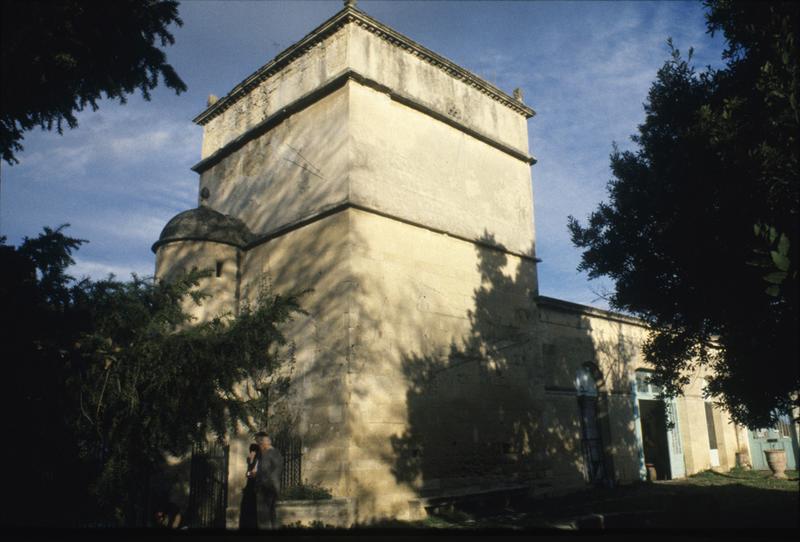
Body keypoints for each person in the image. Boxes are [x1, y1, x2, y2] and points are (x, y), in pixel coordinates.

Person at [253, 431, 283, 529]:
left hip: (266, 489)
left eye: (259, 443)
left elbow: (269, 472)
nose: (259, 445)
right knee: (271, 516)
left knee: (264, 518)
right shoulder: (272, 453)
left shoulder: (270, 454)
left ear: (263, 442)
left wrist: (254, 473)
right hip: (269, 488)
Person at [239, 443, 260, 529]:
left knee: (251, 508)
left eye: (253, 451)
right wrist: (250, 466)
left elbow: (253, 474)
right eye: (251, 451)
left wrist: (250, 471)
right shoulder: (250, 461)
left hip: (254, 487)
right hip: (249, 486)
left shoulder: (258, 461)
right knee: (245, 506)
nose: (251, 453)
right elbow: (248, 474)